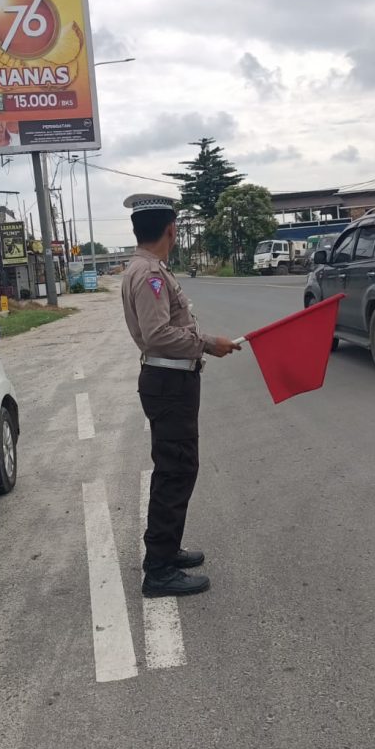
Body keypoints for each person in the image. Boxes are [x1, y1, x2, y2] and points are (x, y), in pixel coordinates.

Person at [120, 194, 241, 597]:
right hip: (169, 384)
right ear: (171, 230)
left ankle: (166, 551)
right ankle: (158, 570)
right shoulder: (151, 274)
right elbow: (156, 335)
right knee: (176, 470)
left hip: (169, 383)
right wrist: (207, 343)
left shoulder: (145, 268)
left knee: (177, 467)